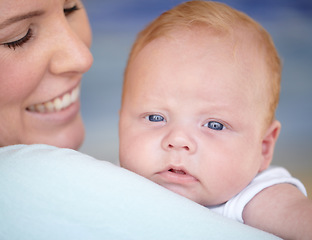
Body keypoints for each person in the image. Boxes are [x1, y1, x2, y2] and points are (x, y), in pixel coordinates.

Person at [0, 0, 279, 239]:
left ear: (265, 147)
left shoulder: (267, 197)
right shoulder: (9, 184)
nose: (82, 57)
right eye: (19, 36)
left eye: (70, 9)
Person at [118, 1, 312, 239]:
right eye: (156, 117)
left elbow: (298, 218)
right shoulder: (116, 184)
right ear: (120, 124)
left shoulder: (253, 197)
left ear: (263, 147)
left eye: (214, 125)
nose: (178, 140)